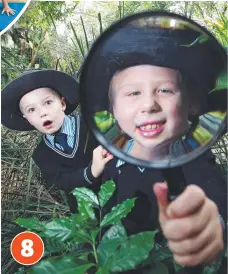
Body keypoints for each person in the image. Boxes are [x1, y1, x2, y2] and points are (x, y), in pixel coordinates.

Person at [84, 18, 227, 269]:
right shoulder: (112, 156)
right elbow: (108, 200)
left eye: (165, 90)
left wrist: (210, 225)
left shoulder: (197, 161)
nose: (149, 105)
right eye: (133, 93)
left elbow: (215, 202)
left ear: (191, 105)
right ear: (113, 110)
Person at [1, 69, 113, 213]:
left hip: (126, 196)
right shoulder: (41, 155)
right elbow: (63, 182)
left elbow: (125, 136)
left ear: (62, 103)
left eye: (48, 102)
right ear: (27, 119)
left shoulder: (94, 119)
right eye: (31, 110)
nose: (42, 113)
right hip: (88, 216)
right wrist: (91, 172)